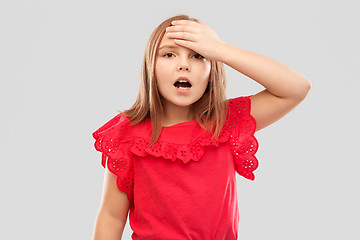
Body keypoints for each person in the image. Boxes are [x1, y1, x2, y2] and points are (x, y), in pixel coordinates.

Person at [91, 14, 311, 240]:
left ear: (212, 68)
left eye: (198, 55)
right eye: (169, 54)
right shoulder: (126, 135)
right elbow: (111, 217)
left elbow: (296, 88)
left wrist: (221, 49)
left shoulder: (227, 122)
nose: (184, 65)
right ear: (151, 66)